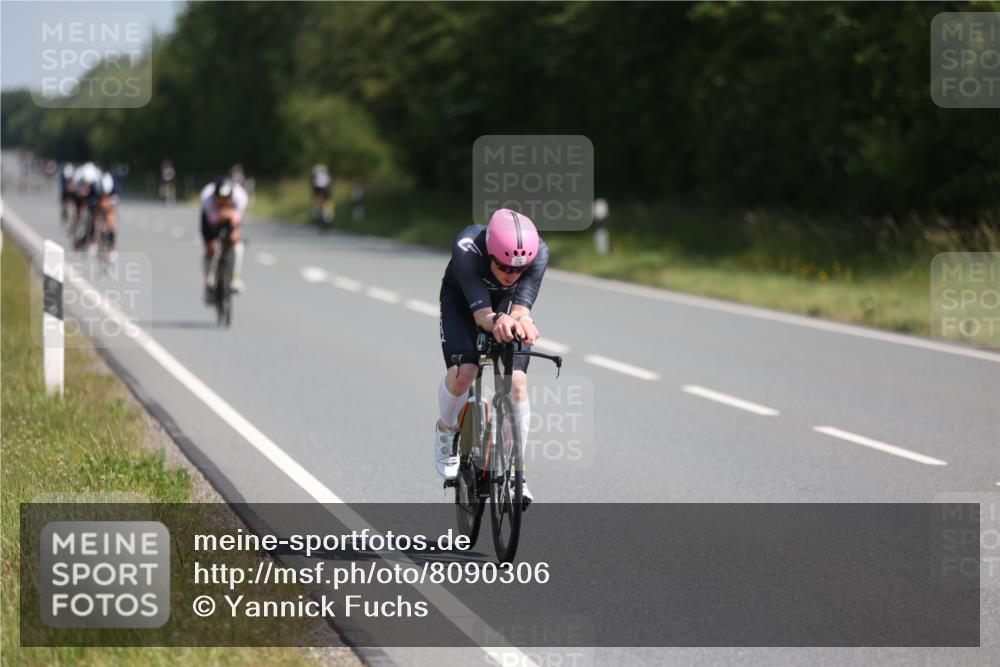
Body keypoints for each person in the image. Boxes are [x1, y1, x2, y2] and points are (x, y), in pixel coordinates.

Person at [434, 208, 549, 507]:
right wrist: (497, 320)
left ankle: (514, 475)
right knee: (465, 373)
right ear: (489, 254)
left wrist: (522, 321)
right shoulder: (468, 247)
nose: (512, 274)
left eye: (518, 270)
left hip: (505, 306)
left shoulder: (537, 254)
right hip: (464, 301)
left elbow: (522, 307)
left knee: (517, 384)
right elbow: (483, 315)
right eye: (504, 267)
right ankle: (446, 430)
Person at [199, 176, 248, 299]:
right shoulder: (207, 198)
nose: (223, 202)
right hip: (211, 219)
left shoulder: (240, 197)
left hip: (232, 216)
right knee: (211, 247)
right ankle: (209, 279)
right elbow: (212, 222)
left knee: (236, 242)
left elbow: (238, 219)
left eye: (226, 199)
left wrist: (232, 218)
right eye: (219, 199)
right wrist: (220, 216)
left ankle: (235, 278)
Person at [70, 161, 102, 249]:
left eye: (88, 184)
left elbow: (100, 195)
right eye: (85, 183)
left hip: (93, 196)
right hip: (80, 195)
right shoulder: (79, 176)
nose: (86, 185)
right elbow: (74, 189)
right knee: (79, 212)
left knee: (94, 218)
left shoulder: (96, 178)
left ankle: (92, 239)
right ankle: (76, 231)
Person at [89, 172, 120, 261]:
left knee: (112, 220)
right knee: (94, 217)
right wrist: (97, 204)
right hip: (97, 202)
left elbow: (115, 201)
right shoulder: (94, 187)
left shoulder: (115, 187)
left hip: (110, 202)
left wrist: (108, 203)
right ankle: (93, 241)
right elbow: (90, 200)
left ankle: (112, 249)